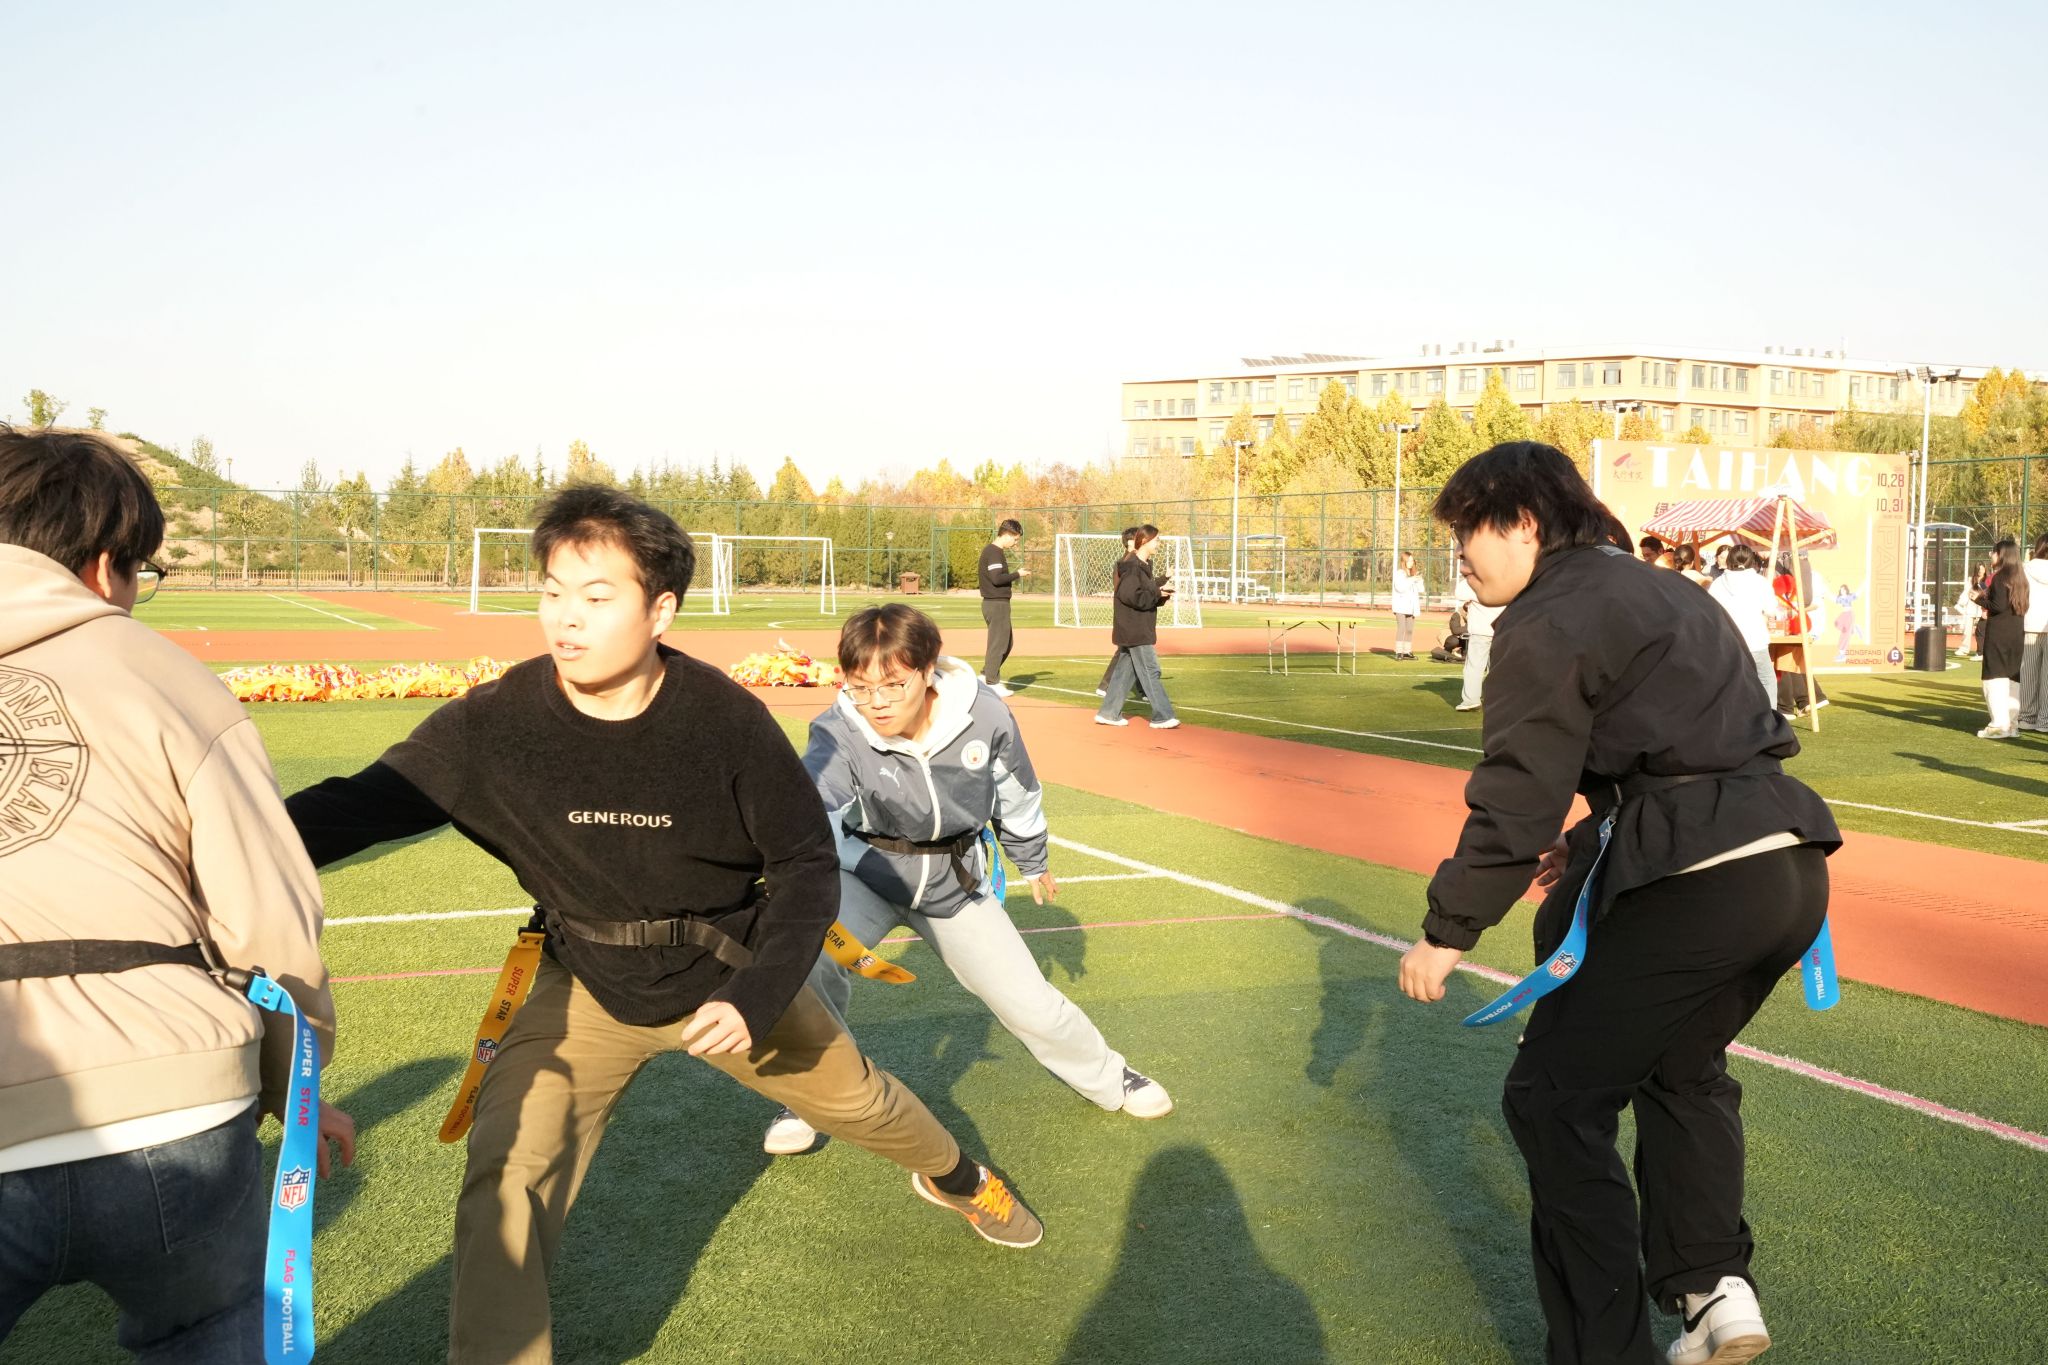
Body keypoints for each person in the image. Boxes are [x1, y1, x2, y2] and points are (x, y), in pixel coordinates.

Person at [285, 487, 1041, 1363]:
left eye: (596, 596)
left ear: (661, 610)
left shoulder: (724, 723)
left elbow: (804, 866)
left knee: (866, 1103)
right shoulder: (493, 722)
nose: (566, 617)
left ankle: (957, 1177)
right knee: (505, 1181)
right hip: (582, 981)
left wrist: (757, 995)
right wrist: (211, 841)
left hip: (729, 975)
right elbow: (355, 808)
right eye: (553, 592)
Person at [1396, 441, 1840, 1365]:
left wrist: (1448, 930)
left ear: (1523, 522)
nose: (1460, 555)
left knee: (1551, 1102)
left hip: (1698, 881)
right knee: (1682, 1068)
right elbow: (1690, 743)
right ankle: (1713, 1289)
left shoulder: (1546, 615)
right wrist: (1603, 829)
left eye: (1467, 531)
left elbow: (1518, 791)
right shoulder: (1665, 588)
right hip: (1789, 866)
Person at [0, 425, 352, 1362]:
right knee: (215, 1330)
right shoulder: (164, 675)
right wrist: (293, 1087)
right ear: (104, 564)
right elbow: (271, 919)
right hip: (176, 1102)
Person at [761, 605, 1171, 1156]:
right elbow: (812, 795)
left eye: (893, 685)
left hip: (953, 883)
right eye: (860, 687)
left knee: (1028, 1000)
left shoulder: (984, 714)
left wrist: (1032, 857)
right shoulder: (840, 728)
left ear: (927, 670)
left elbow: (1016, 792)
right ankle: (811, 1097)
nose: (876, 702)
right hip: (864, 872)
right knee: (802, 963)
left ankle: (1111, 1076)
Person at [1094, 524, 1179, 730]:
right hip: (1135, 629)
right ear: (1144, 541)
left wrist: (1161, 592)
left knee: (1124, 673)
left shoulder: (1141, 565)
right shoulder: (1132, 566)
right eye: (1156, 540)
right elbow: (1130, 596)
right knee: (1151, 670)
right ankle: (1163, 716)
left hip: (1135, 628)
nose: (1159, 543)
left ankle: (1108, 713)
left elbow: (1143, 593)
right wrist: (1157, 594)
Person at [1707, 543, 1778, 705]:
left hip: (1728, 642)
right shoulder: (1760, 582)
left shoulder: (1718, 583)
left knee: (1731, 685)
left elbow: (1711, 612)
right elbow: (1771, 610)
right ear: (1751, 561)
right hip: (1755, 641)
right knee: (1766, 680)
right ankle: (1770, 716)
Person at [1972, 538, 2029, 739]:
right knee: (2012, 679)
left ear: (2002, 555)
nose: (1991, 555)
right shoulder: (2021, 579)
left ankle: (1998, 725)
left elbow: (1997, 606)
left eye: (1994, 552)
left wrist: (1978, 598)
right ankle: (2011, 724)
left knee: (1993, 678)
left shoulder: (1999, 578)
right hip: (2016, 634)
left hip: (1998, 635)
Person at [977, 518, 1028, 696]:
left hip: (998, 603)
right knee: (998, 644)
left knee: (1006, 643)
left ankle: (986, 675)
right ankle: (992, 682)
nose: (1015, 543)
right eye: (1015, 539)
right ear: (1007, 534)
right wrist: (1017, 574)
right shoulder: (993, 552)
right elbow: (997, 578)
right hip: (995, 603)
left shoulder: (996, 552)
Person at [1094, 527, 1140, 696]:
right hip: (1126, 614)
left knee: (1134, 651)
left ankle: (1142, 689)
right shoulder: (1124, 563)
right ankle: (1105, 686)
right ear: (1131, 542)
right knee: (1127, 651)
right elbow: (1121, 589)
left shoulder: (1139, 562)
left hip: (1135, 614)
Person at [1453, 571, 1501, 712]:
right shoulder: (1502, 577)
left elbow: (1459, 592)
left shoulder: (1477, 580)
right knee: (1497, 667)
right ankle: (1496, 698)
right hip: (1500, 628)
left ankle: (1471, 700)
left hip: (1481, 629)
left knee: (1474, 666)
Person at [2016, 534, 2048, 733]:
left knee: (2028, 674)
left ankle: (2027, 717)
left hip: (2029, 624)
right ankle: (2045, 721)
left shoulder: (2025, 568)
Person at [1390, 550, 1424, 659]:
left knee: (1409, 629)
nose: (1411, 563)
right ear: (1403, 561)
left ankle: (1407, 651)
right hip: (1400, 606)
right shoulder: (1400, 573)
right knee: (1401, 628)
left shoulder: (1413, 574)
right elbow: (1400, 588)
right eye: (1408, 561)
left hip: (1411, 607)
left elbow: (1421, 589)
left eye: (1412, 561)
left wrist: (1419, 580)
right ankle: (1399, 652)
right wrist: (1412, 579)